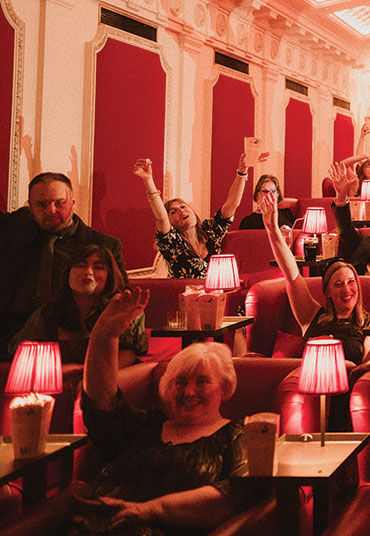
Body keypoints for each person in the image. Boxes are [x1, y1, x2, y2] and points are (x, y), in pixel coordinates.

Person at [70, 289, 255, 535]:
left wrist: (147, 510)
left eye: (202, 382)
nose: (189, 392)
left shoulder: (236, 436)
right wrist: (104, 335)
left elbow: (234, 494)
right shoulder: (145, 426)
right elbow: (100, 404)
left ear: (225, 386)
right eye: (180, 382)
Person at [0, 172, 126, 347]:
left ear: (73, 202)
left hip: (72, 335)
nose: (51, 210)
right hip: (8, 333)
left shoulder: (103, 245)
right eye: (41, 205)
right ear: (30, 207)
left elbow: (119, 299)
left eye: (59, 203)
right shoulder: (15, 231)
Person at [262, 195, 370, 364]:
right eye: (338, 285)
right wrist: (272, 230)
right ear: (328, 292)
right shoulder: (312, 315)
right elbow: (291, 273)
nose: (346, 290)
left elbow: (368, 371)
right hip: (306, 381)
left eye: (351, 282)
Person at [8, 244, 147, 366]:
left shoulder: (124, 309)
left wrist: (86, 378)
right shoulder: (47, 313)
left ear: (109, 277)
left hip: (112, 383)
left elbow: (129, 354)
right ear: (68, 274)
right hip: (56, 382)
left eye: (98, 267)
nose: (88, 271)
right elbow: (20, 352)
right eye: (80, 265)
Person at [134, 154, 262, 279]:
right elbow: (161, 217)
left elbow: (232, 205)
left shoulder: (209, 231)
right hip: (184, 296)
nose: (180, 211)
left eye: (183, 207)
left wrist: (242, 171)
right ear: (170, 223)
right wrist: (148, 180)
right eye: (173, 212)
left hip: (215, 295)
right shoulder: (172, 243)